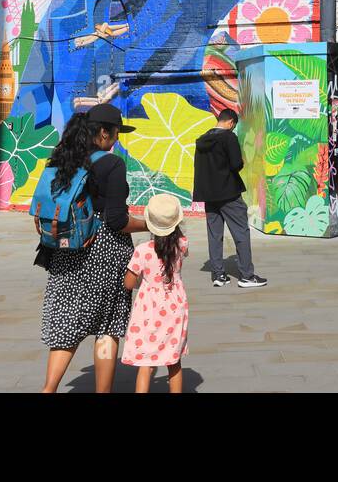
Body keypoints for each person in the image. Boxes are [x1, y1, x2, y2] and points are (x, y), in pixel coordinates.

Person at [39, 104, 147, 392]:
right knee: (107, 327)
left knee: (68, 328)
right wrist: (150, 224)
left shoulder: (64, 160)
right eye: (115, 134)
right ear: (103, 132)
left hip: (65, 253)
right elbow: (117, 221)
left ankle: (48, 389)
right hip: (104, 255)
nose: (116, 140)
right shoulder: (112, 164)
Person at [122, 193, 189, 393]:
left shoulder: (142, 251)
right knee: (173, 360)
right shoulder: (182, 244)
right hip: (175, 306)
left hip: (149, 310)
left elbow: (128, 282)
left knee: (146, 362)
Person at [192, 108, 265, 288]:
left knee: (214, 235)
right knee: (241, 232)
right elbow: (236, 164)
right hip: (228, 194)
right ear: (231, 122)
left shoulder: (202, 139)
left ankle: (218, 275)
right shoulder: (229, 138)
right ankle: (247, 276)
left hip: (209, 196)